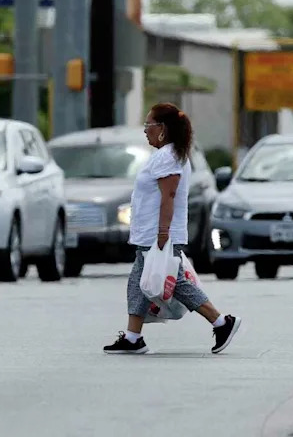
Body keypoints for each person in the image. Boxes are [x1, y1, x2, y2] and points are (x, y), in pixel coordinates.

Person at [103, 103, 241, 355]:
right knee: (139, 282)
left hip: (159, 234)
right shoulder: (166, 154)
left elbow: (169, 195)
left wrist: (163, 234)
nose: (145, 131)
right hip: (151, 234)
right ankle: (133, 337)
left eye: (149, 125)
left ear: (163, 128)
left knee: (172, 282)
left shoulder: (168, 156)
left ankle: (221, 322)